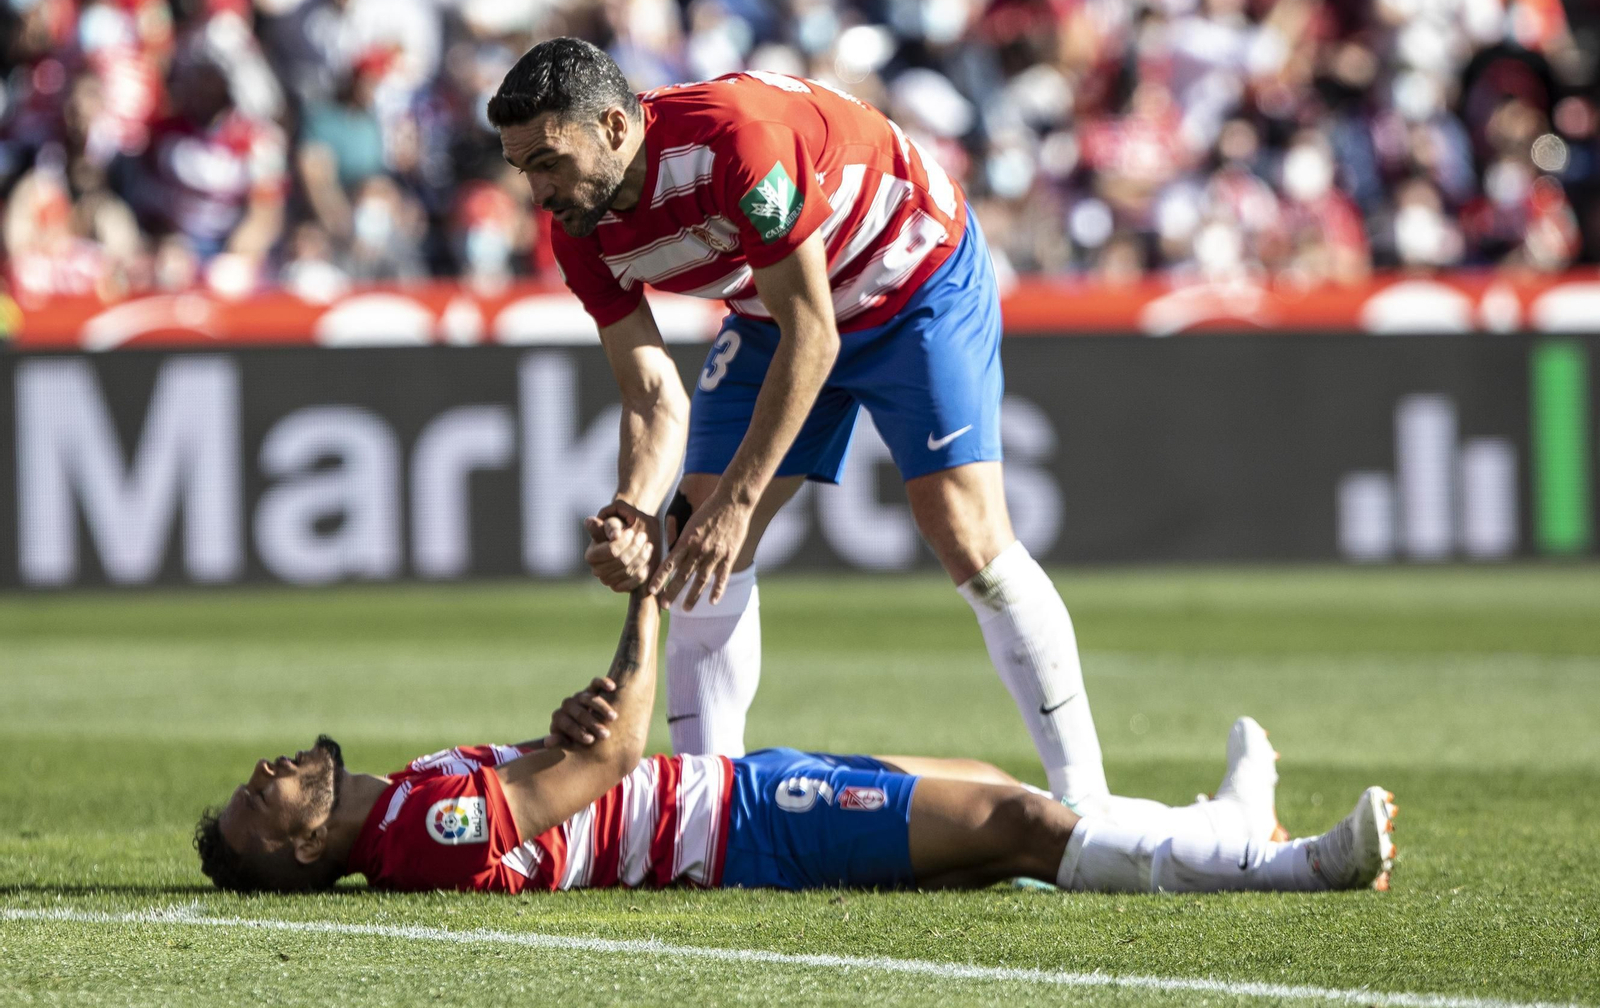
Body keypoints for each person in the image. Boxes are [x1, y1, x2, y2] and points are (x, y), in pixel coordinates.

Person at [486, 37, 1116, 814]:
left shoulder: (735, 142)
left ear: (615, 127)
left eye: (548, 161)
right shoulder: (579, 229)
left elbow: (814, 335)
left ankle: (1085, 804)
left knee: (965, 529)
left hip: (911, 277)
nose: (538, 191)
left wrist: (739, 500)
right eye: (522, 169)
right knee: (691, 544)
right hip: (777, 307)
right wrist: (634, 510)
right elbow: (651, 393)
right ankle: (710, 817)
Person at [194, 555, 1397, 896]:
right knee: (1021, 822)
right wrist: (649, 595)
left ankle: (1221, 823)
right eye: (260, 800)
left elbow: (577, 767)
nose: (264, 770)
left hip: (732, 795)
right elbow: (618, 757)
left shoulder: (414, 796)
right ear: (300, 846)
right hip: (743, 825)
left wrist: (558, 733)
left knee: (996, 798)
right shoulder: (422, 831)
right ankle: (1290, 866)